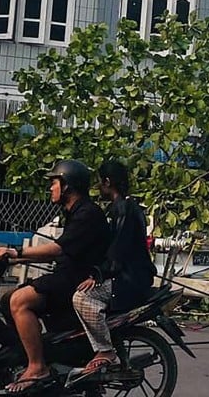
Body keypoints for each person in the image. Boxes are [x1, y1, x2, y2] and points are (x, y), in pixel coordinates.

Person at [0, 160, 110, 393]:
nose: (51, 188)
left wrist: (17, 252)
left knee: (19, 301)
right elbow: (62, 252)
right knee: (7, 300)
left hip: (77, 280)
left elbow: (57, 250)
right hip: (68, 274)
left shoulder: (87, 213)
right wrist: (14, 259)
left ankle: (37, 366)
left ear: (67, 185)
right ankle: (31, 355)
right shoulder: (74, 212)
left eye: (54, 183)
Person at [69, 159, 156, 381]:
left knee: (82, 297)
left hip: (129, 279)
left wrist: (97, 275)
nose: (99, 187)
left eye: (100, 182)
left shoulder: (125, 209)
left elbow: (118, 250)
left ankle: (105, 349)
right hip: (127, 275)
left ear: (108, 182)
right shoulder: (120, 207)